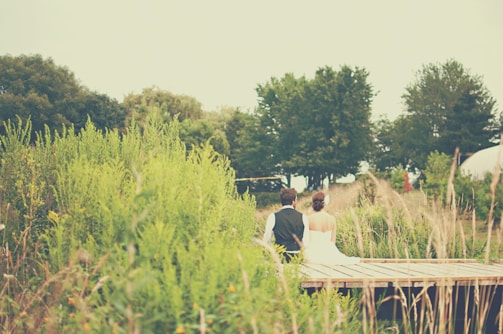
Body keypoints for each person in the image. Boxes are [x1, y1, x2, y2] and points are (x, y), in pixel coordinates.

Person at [303, 191, 360, 265]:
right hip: (329, 252)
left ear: (313, 204)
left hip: (314, 253)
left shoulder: (308, 219)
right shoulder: (332, 219)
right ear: (324, 203)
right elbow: (333, 241)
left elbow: (305, 240)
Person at [263, 188, 310, 263]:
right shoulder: (303, 217)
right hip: (296, 257)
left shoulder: (273, 216)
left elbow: (267, 239)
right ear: (293, 201)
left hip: (280, 256)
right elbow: (306, 242)